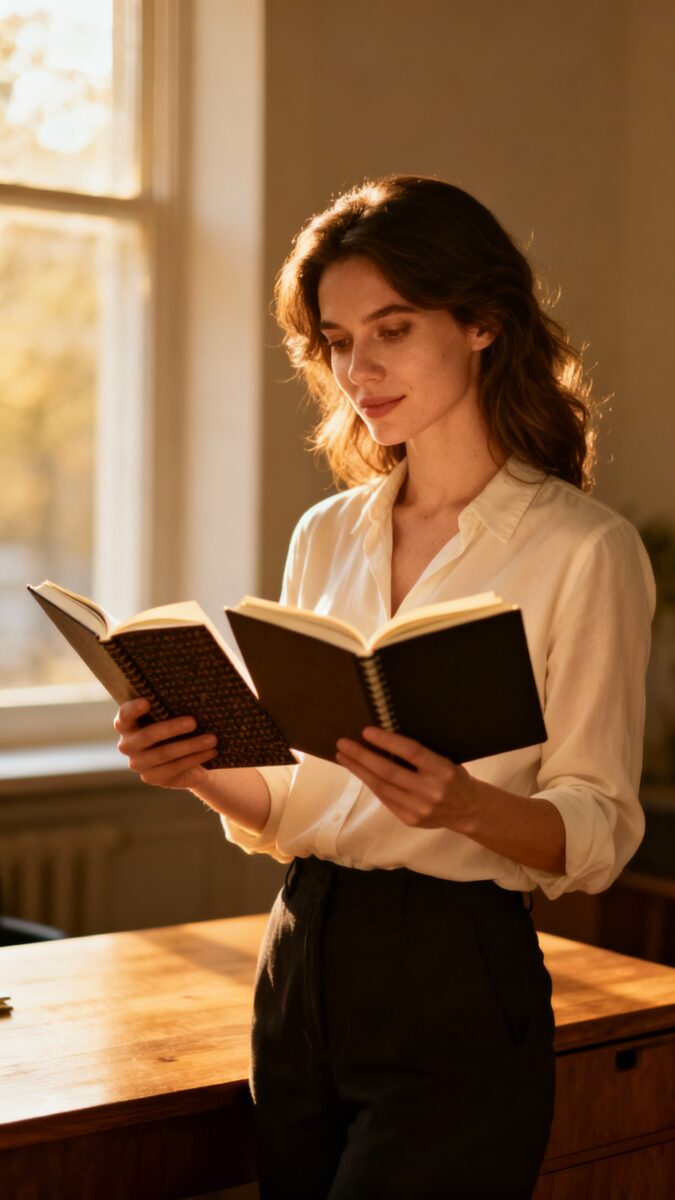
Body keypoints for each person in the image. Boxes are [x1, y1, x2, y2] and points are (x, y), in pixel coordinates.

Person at [115, 176, 655, 1199]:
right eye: (334, 340)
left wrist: (467, 807)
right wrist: (193, 769)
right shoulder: (327, 534)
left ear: (484, 322)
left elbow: (600, 827)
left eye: (392, 329)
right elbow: (297, 799)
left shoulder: (586, 551)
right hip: (299, 958)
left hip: (455, 976)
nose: (358, 370)